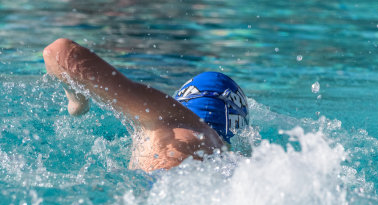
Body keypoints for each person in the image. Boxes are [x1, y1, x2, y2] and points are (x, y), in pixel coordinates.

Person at [43, 38, 249, 172]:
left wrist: (77, 100)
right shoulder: (236, 164)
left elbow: (59, 51)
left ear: (181, 102)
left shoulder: (168, 118)